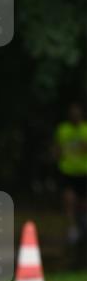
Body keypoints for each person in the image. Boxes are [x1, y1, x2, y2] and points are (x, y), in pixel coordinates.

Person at [51, 102, 87, 247]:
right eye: (72, 113)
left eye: (77, 113)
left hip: (84, 172)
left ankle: (82, 225)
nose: (75, 115)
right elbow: (57, 148)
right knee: (69, 200)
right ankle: (73, 229)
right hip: (67, 171)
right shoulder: (63, 129)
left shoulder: (85, 129)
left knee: (83, 204)